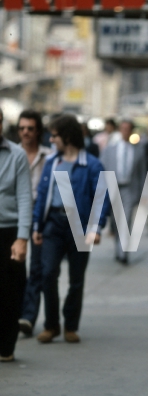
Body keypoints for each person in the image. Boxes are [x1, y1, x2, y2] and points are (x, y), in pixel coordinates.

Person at [33, 114, 109, 344]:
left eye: (54, 135)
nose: (51, 139)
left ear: (66, 136)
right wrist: (37, 225)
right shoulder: (52, 162)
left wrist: (95, 228)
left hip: (80, 225)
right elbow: (43, 196)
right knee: (47, 274)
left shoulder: (92, 165)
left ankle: (71, 326)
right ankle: (52, 325)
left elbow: (101, 198)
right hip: (53, 224)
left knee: (76, 278)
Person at [0, 107, 32, 361]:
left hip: (9, 231)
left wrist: (22, 238)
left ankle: (6, 346)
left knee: (11, 290)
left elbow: (24, 197)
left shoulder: (16, 155)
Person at [17, 109, 52, 337]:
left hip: (41, 216)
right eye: (22, 129)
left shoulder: (50, 156)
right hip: (16, 215)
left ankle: (27, 317)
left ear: (38, 130)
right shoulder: (11, 153)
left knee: (38, 268)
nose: (25, 132)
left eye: (30, 128)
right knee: (15, 267)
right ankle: (14, 313)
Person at [101, 119, 147, 264]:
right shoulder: (110, 150)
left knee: (125, 220)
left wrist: (142, 193)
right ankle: (118, 248)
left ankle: (123, 253)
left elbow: (142, 173)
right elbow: (102, 170)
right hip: (114, 188)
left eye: (128, 129)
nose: (125, 131)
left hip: (129, 188)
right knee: (115, 221)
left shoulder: (138, 150)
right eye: (123, 128)